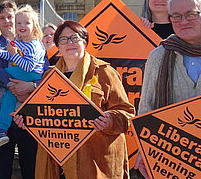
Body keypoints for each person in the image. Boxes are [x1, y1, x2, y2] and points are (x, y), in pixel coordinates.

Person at [16, 20, 135, 179]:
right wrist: (28, 121)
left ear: (85, 42)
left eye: (75, 38)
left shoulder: (104, 72)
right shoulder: (48, 77)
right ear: (57, 46)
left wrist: (110, 120)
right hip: (57, 164)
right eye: (63, 40)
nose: (69, 43)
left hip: (95, 163)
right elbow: (44, 116)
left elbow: (127, 113)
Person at [136, 0, 201, 178]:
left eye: (191, 14)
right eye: (175, 16)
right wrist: (145, 149)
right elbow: (147, 107)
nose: (182, 22)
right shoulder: (159, 56)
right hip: (172, 162)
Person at [0, 1, 39, 179]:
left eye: (10, 17)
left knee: (31, 167)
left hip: (28, 114)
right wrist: (12, 85)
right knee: (1, 169)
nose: (7, 21)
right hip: (0, 112)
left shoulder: (32, 43)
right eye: (2, 18)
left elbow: (43, 72)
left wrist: (30, 87)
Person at [0, 5, 46, 149]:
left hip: (30, 74)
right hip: (21, 73)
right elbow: (10, 54)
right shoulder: (20, 42)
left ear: (34, 26)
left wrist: (13, 54)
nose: (21, 26)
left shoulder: (34, 44)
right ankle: (2, 130)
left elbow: (28, 66)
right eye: (19, 23)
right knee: (9, 95)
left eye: (26, 23)